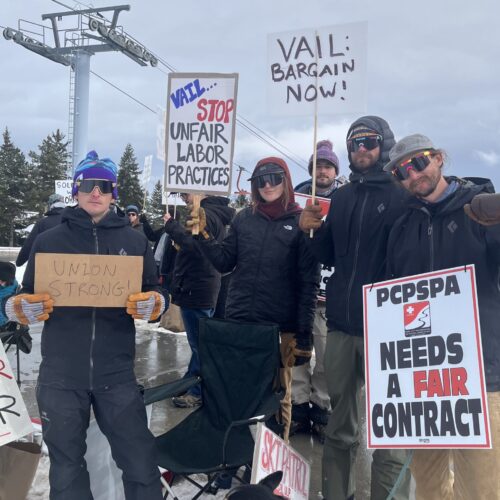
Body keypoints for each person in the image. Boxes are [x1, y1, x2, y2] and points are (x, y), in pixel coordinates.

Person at [3, 150, 165, 500]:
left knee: (139, 463)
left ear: (113, 193)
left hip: (116, 373)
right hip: (61, 374)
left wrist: (156, 304)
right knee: (66, 470)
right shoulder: (49, 240)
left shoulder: (135, 241)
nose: (96, 193)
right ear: (76, 190)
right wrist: (20, 308)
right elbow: (26, 293)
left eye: (104, 186)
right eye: (89, 184)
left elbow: (153, 290)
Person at [299, 116, 411, 500]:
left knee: (391, 435)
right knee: (339, 428)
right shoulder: (341, 198)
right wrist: (311, 229)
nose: (361, 149)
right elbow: (328, 254)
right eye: (355, 143)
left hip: (390, 332)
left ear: (385, 144)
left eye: (369, 141)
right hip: (344, 326)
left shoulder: (403, 194)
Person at [384, 134, 500, 500]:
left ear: (438, 159)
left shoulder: (481, 210)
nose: (412, 175)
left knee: (482, 486)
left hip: (481, 370)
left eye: (419, 163)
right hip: (422, 377)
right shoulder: (401, 225)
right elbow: (390, 296)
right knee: (429, 485)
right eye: (402, 172)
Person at [182, 157, 320, 442]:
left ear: (286, 181)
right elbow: (223, 262)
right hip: (241, 321)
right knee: (236, 393)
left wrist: (303, 335)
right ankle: (232, 458)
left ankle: (270, 467)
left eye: (274, 178)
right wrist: (203, 234)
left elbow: (309, 282)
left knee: (276, 400)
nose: (267, 185)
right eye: (260, 180)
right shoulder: (244, 218)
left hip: (279, 328)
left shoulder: (300, 220)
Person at [164, 192, 235, 408]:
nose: (184, 197)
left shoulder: (205, 214)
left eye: (186, 192)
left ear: (202, 191)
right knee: (200, 343)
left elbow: (196, 249)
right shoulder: (214, 214)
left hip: (197, 288)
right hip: (201, 286)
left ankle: (198, 391)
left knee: (200, 346)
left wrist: (173, 228)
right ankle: (190, 382)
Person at [291, 140, 340, 442]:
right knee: (297, 356)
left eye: (327, 166)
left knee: (326, 360)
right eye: (317, 166)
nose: (322, 171)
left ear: (335, 170)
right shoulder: (297, 196)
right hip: (299, 292)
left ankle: (321, 410)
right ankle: (297, 408)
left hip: (329, 296)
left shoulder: (346, 198)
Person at [16, 193, 66, 267]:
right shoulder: (73, 221)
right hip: (71, 267)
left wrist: (20, 261)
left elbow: (29, 244)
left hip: (47, 266)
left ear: (50, 205)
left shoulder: (42, 223)